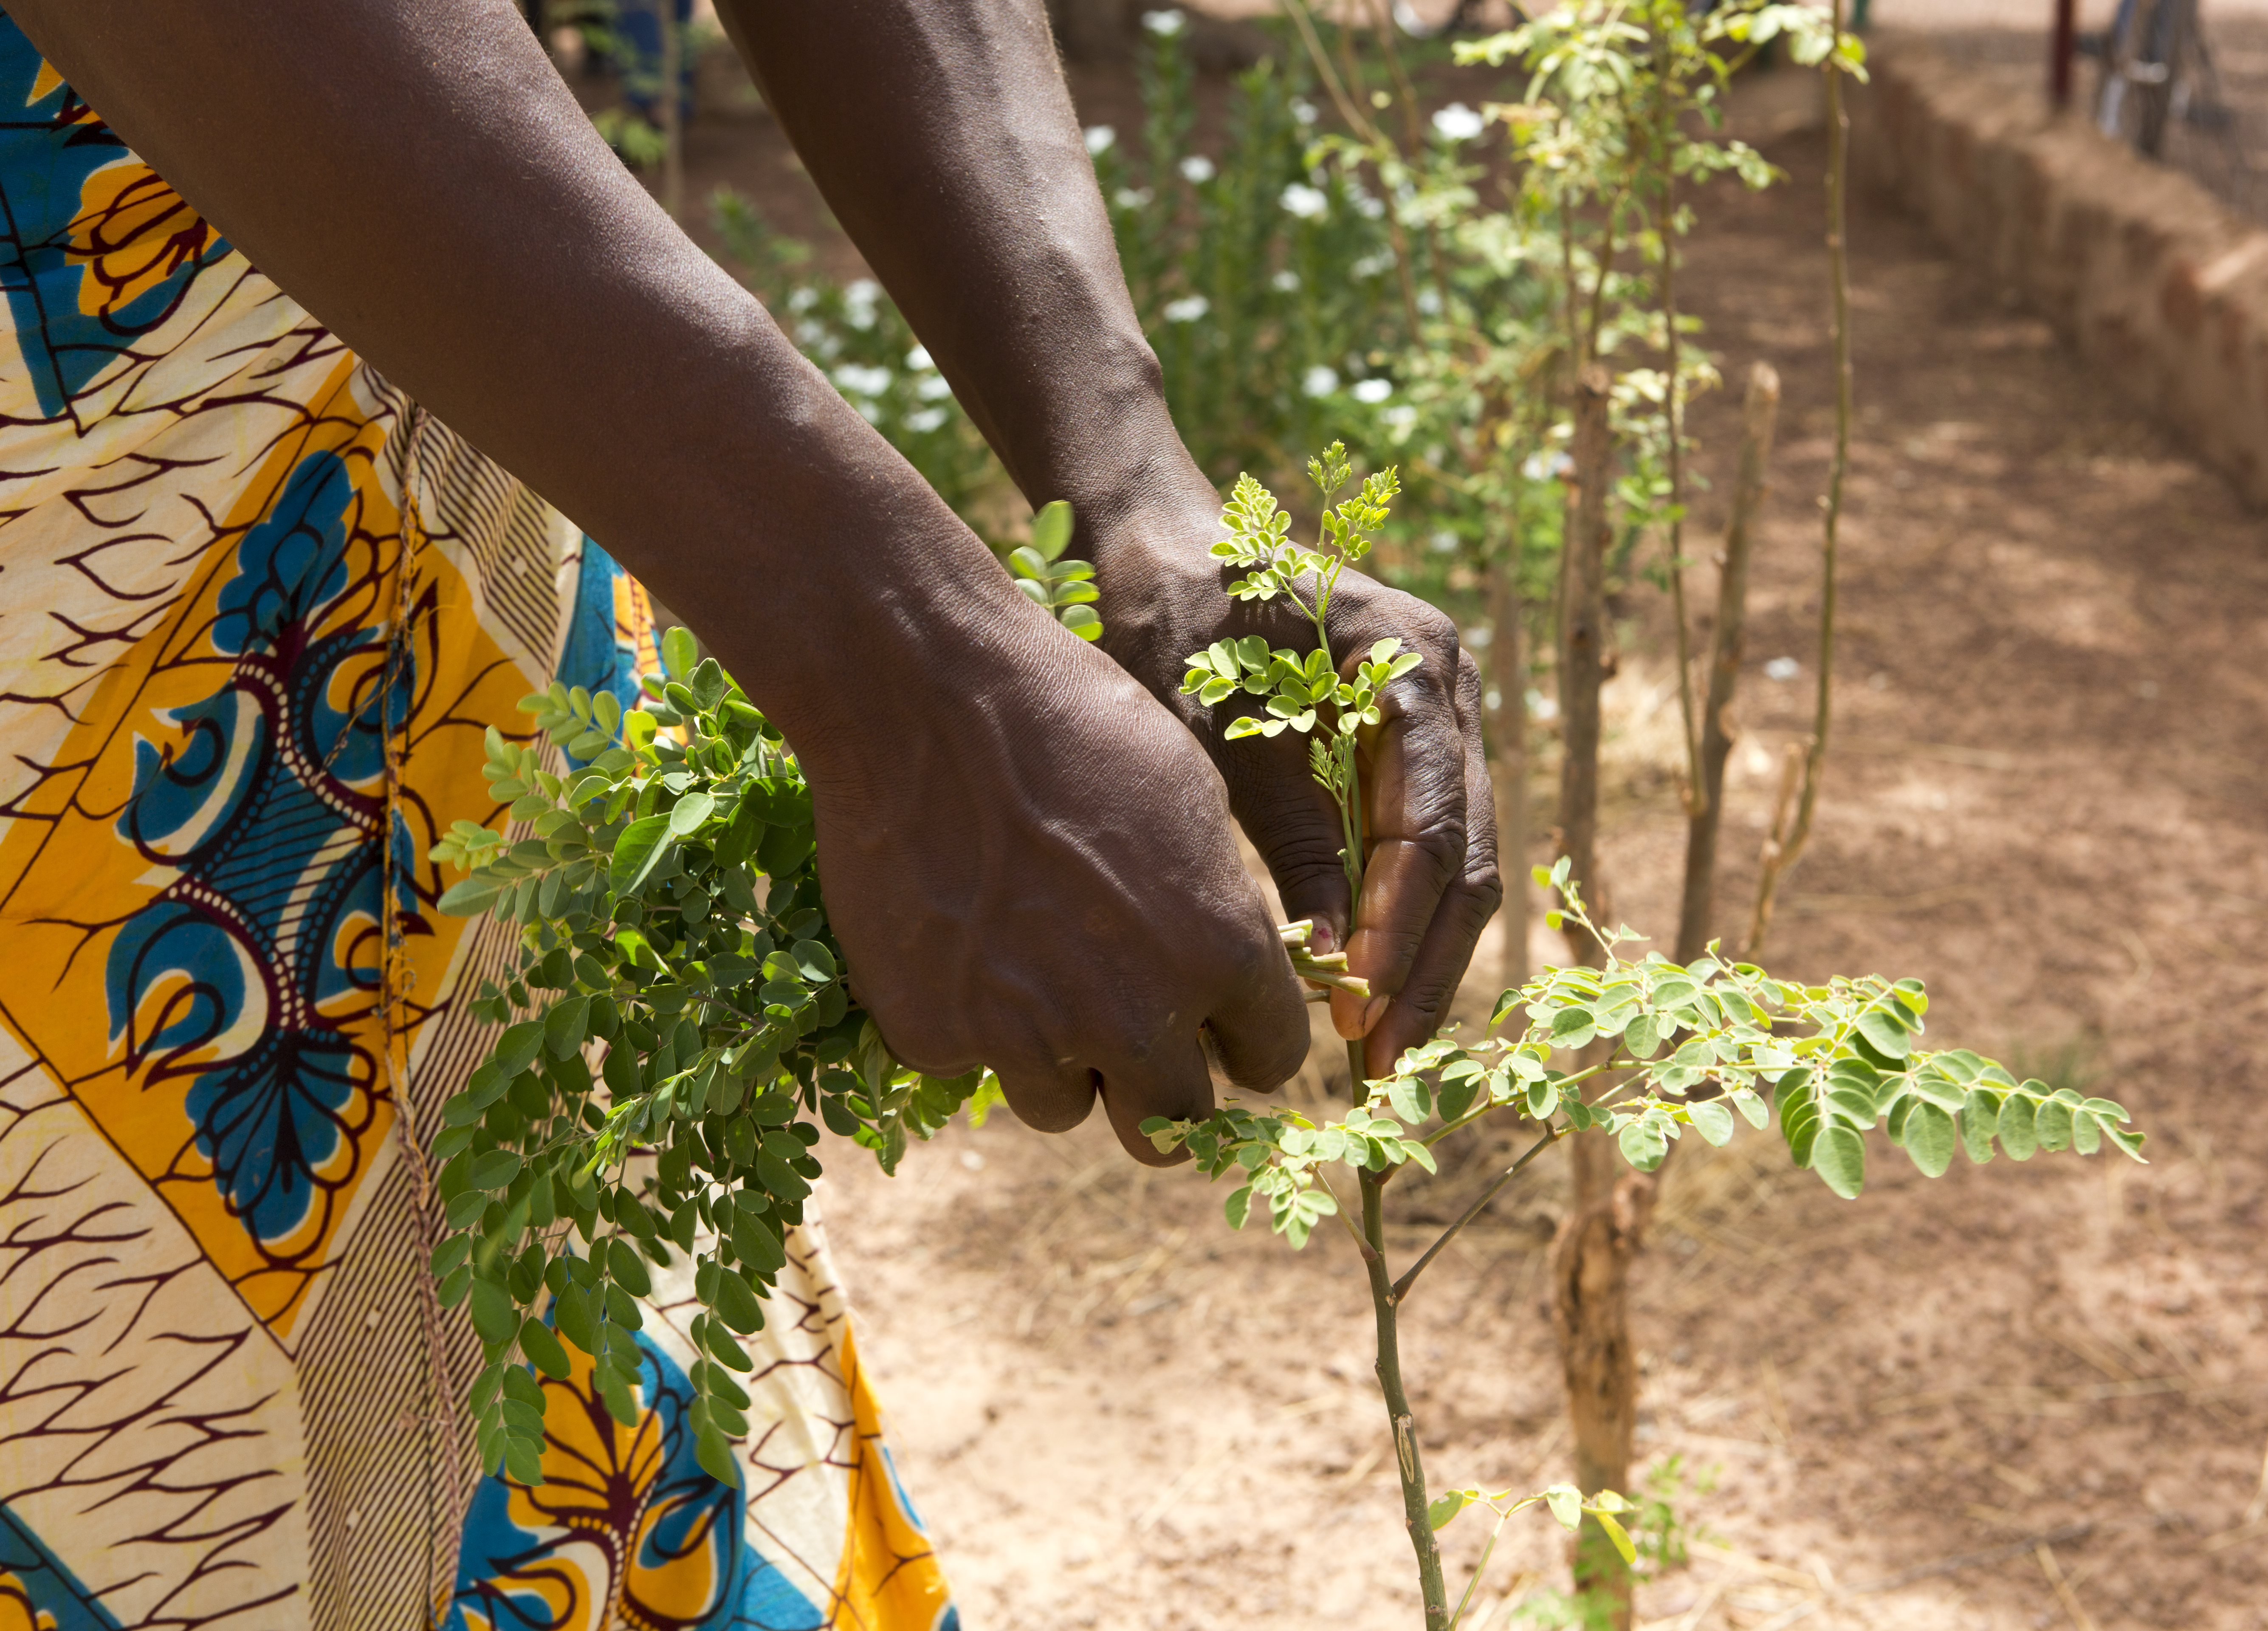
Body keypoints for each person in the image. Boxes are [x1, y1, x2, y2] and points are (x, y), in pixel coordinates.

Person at [0, 1, 1498, 1626]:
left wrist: (1137, 497)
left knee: (579, 1437)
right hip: (53, 678)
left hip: (464, 531)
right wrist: (914, 675)